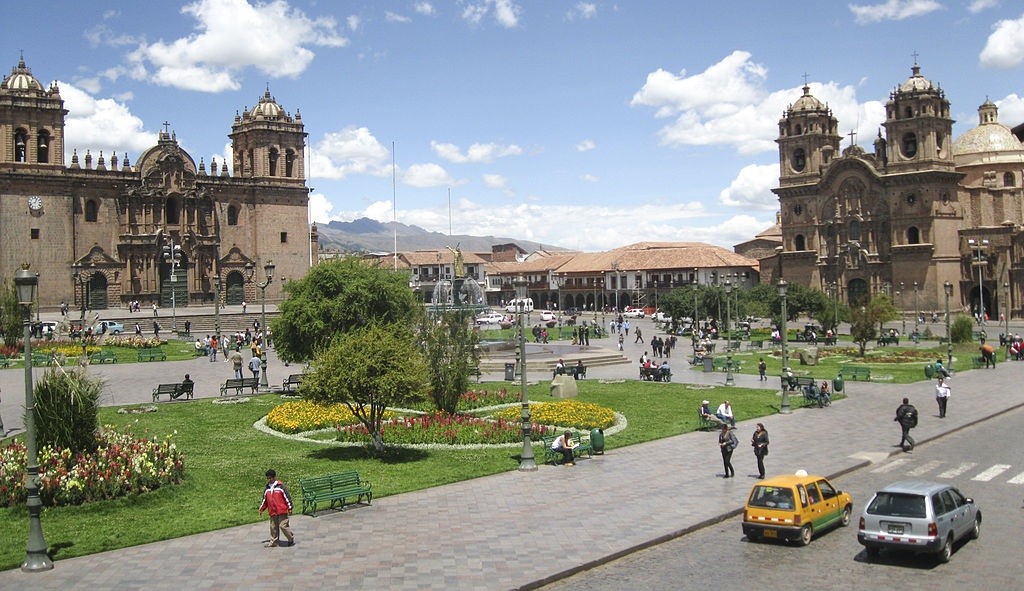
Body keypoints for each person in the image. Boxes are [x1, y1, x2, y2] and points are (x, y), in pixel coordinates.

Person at [258, 469, 295, 547]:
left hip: (282, 510)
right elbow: (265, 500)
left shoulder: (281, 486)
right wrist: (261, 509)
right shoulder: (267, 488)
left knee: (283, 526)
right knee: (273, 527)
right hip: (272, 511)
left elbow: (287, 497)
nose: (269, 480)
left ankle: (290, 538)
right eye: (268, 478)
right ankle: (274, 541)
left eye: (270, 478)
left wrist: (290, 507)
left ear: (274, 477)